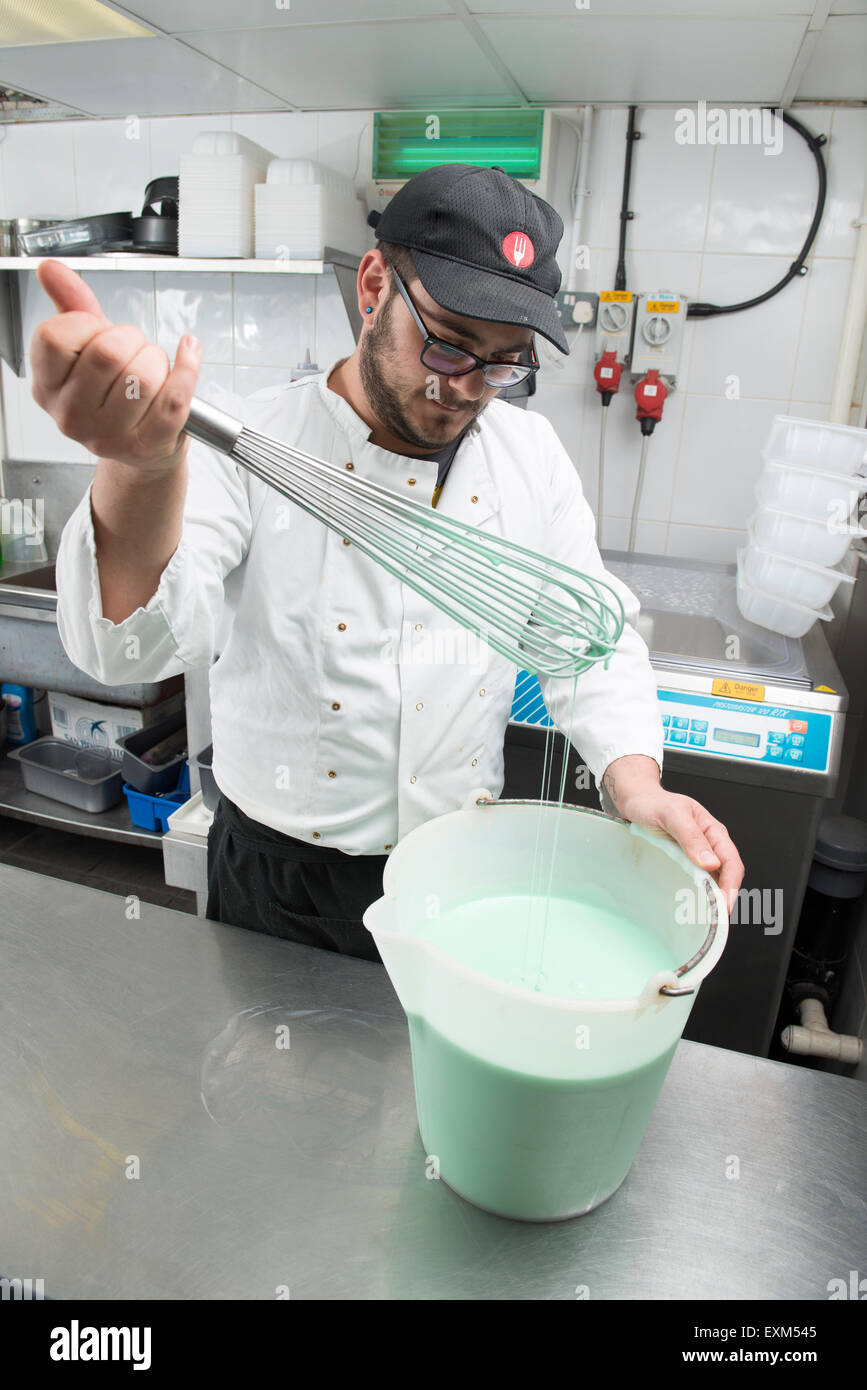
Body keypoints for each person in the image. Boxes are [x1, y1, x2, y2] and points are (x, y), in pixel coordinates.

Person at [32, 163, 743, 960]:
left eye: (506, 363)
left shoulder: (530, 457)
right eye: (447, 345)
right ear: (373, 285)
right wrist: (140, 468)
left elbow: (589, 642)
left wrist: (634, 782)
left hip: (458, 874)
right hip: (281, 885)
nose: (470, 388)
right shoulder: (251, 445)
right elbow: (126, 647)